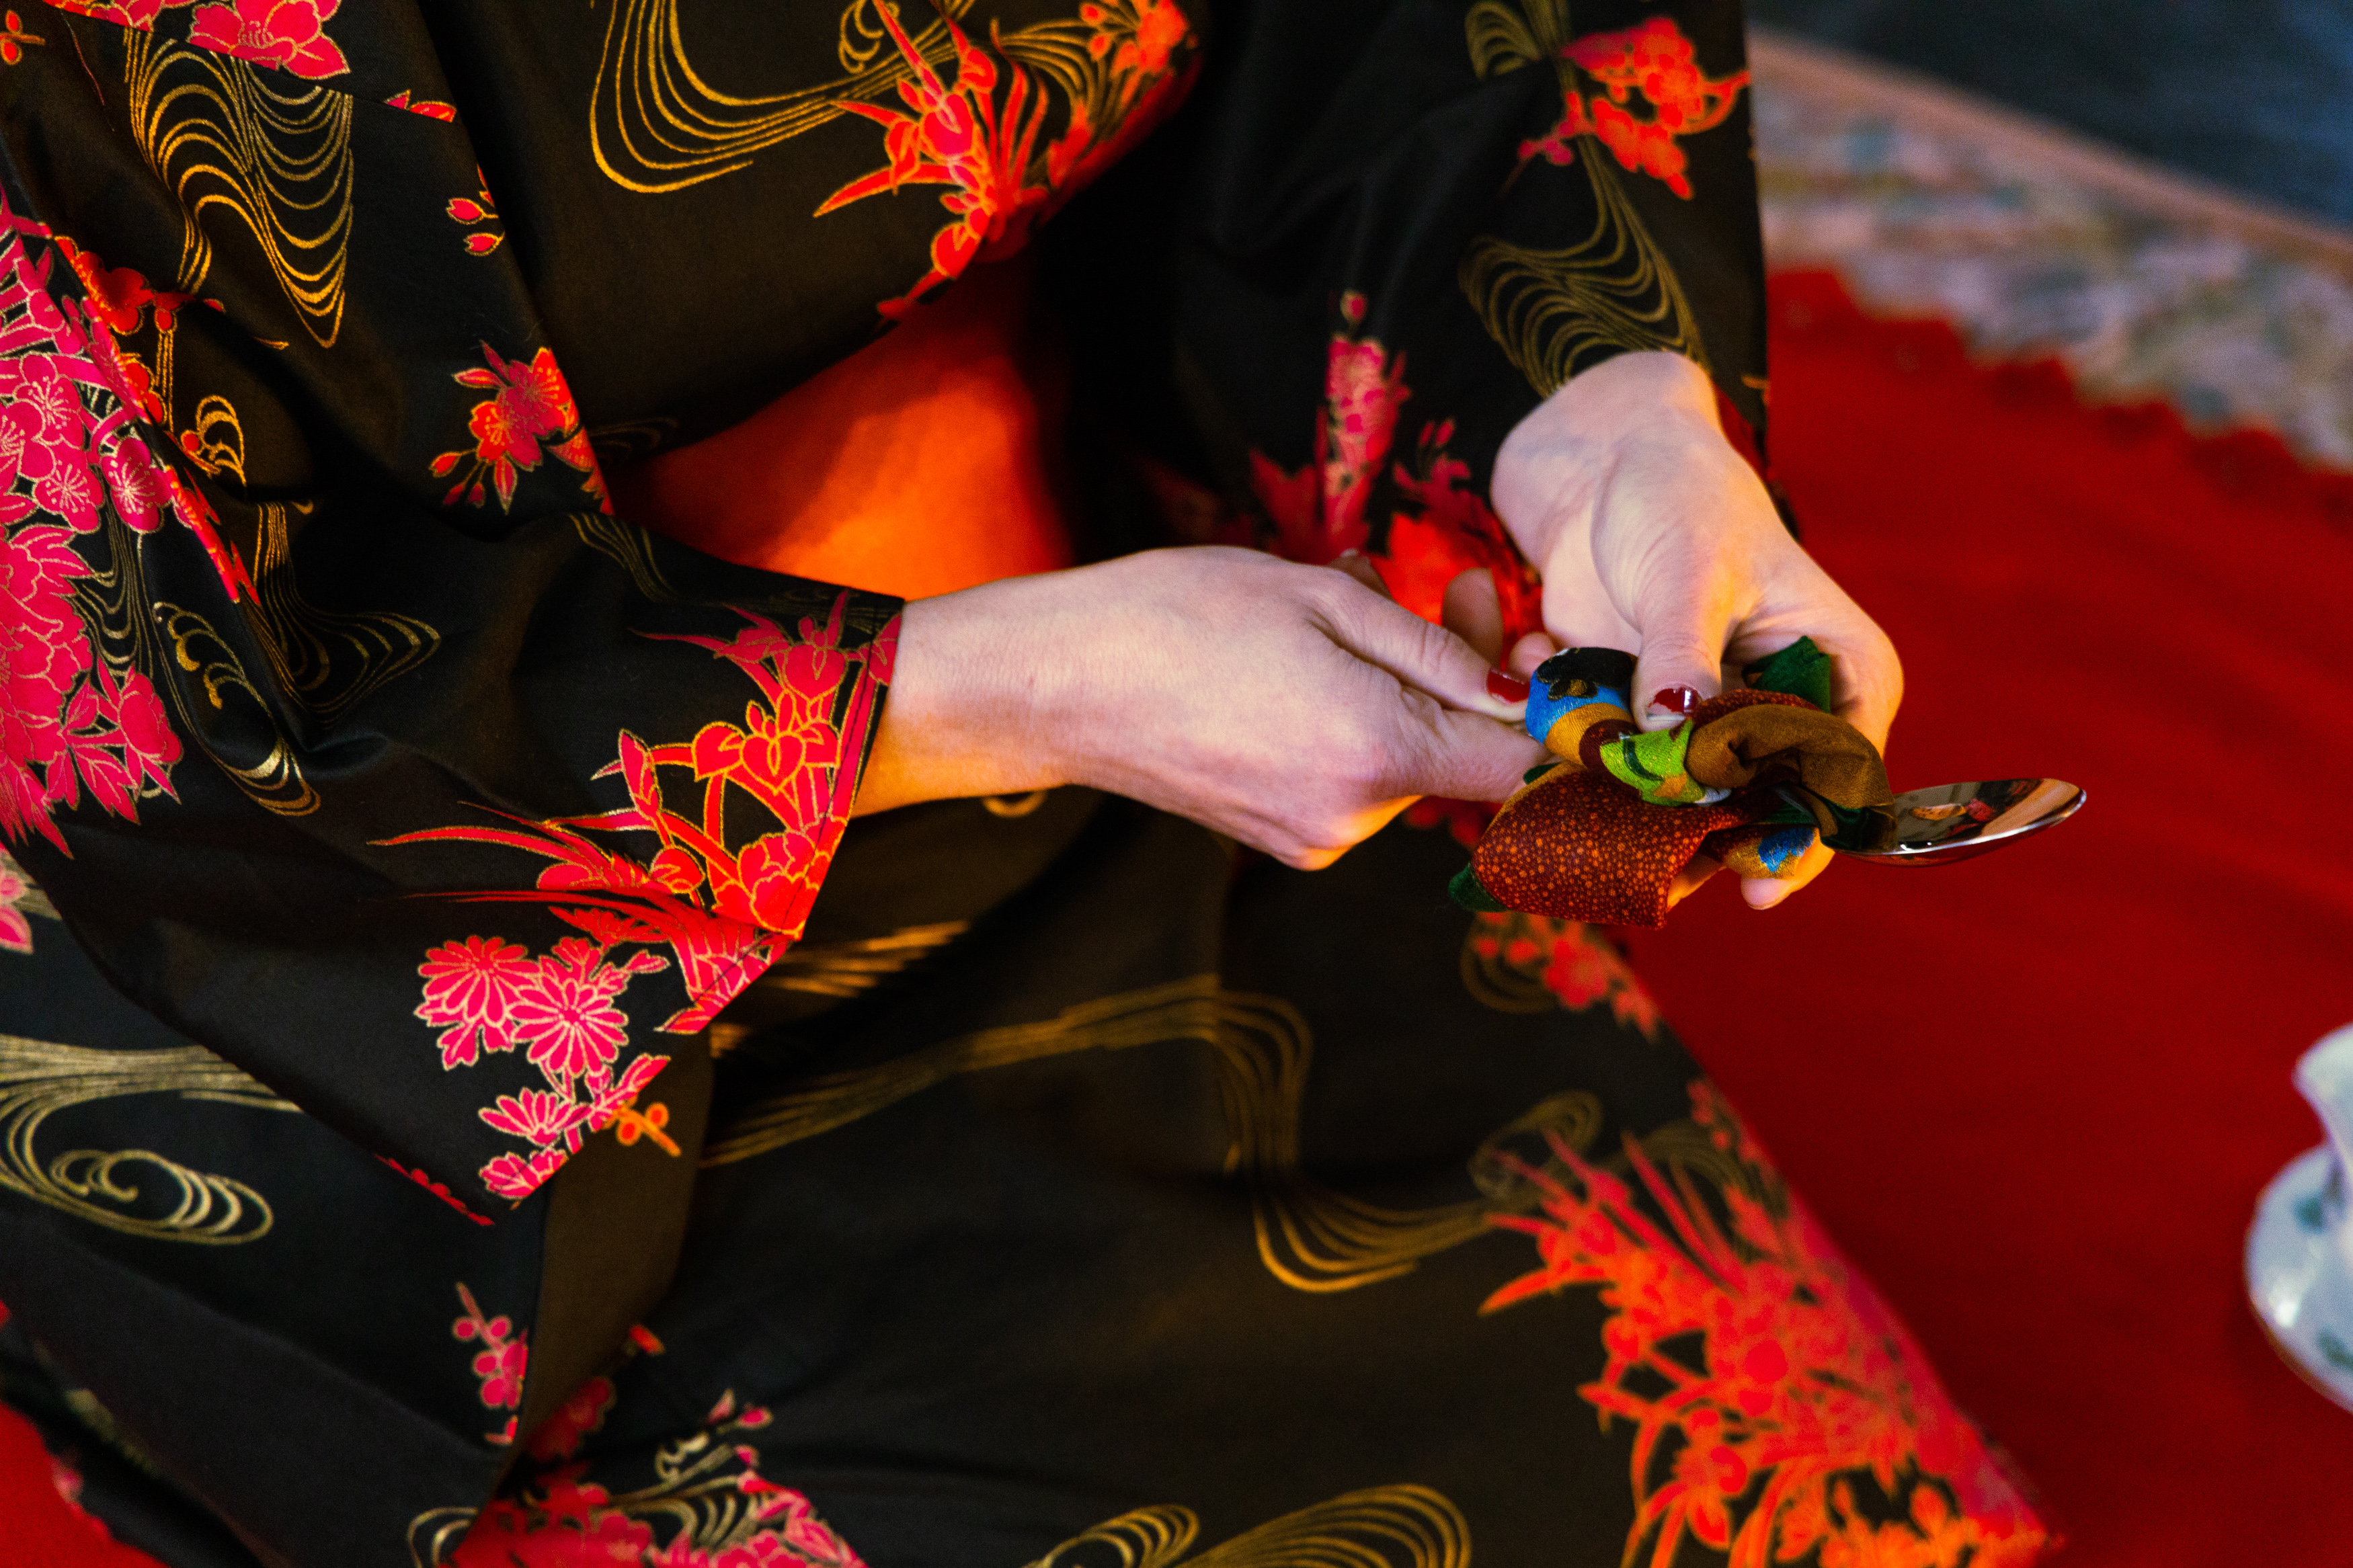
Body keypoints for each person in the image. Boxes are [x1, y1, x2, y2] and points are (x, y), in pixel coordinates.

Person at [0, 1, 2047, 1565]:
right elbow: (138, 711)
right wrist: (1009, 689)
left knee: (1806, 1509)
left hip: (1174, 638)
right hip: (429, 956)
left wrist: (1599, 398)